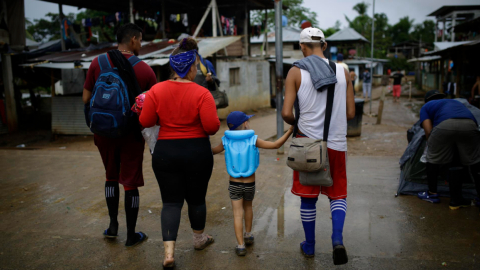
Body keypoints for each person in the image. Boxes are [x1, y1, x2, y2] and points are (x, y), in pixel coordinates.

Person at [139, 38, 220, 268]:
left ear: (173, 68)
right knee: (196, 199)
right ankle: (198, 239)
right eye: (195, 66)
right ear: (191, 68)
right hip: (197, 153)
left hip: (166, 153)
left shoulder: (156, 90)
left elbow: (145, 121)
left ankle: (169, 254)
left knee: (171, 202)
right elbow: (212, 127)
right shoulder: (202, 94)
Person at [281, 27, 355, 265]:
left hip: (307, 145)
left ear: (302, 47)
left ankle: (310, 246)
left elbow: (286, 113)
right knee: (337, 194)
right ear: (324, 46)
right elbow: (351, 113)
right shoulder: (344, 71)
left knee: (308, 197)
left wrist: (298, 123)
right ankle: (337, 240)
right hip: (336, 144)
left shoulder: (295, 71)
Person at [82, 23, 156, 247]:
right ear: (133, 40)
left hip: (103, 132)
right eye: (141, 40)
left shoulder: (98, 63)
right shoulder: (144, 69)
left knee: (110, 176)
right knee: (130, 182)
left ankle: (113, 227)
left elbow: (86, 99)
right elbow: (153, 107)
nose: (140, 45)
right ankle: (131, 235)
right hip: (130, 133)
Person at [211, 112, 294, 256]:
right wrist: (290, 131)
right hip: (250, 184)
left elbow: (212, 151)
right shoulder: (253, 139)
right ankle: (248, 235)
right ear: (245, 124)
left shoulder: (225, 140)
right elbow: (276, 145)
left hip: (234, 183)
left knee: (237, 214)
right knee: (248, 207)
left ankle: (240, 245)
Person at [417, 90, 480, 210]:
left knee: (432, 158)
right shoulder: (456, 102)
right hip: (470, 125)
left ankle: (432, 193)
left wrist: (436, 147)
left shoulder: (426, 106)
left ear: (427, 100)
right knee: (474, 161)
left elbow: (429, 131)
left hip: (444, 125)